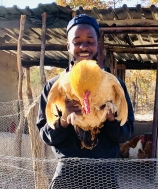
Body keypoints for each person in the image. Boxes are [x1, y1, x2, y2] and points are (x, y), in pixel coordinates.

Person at [36, 14, 135, 189]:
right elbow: (45, 135)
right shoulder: (55, 87)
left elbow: (126, 133)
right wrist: (64, 118)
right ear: (68, 46)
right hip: (68, 175)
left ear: (98, 44)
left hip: (104, 175)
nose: (84, 46)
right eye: (77, 41)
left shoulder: (113, 85)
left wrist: (111, 119)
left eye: (90, 40)